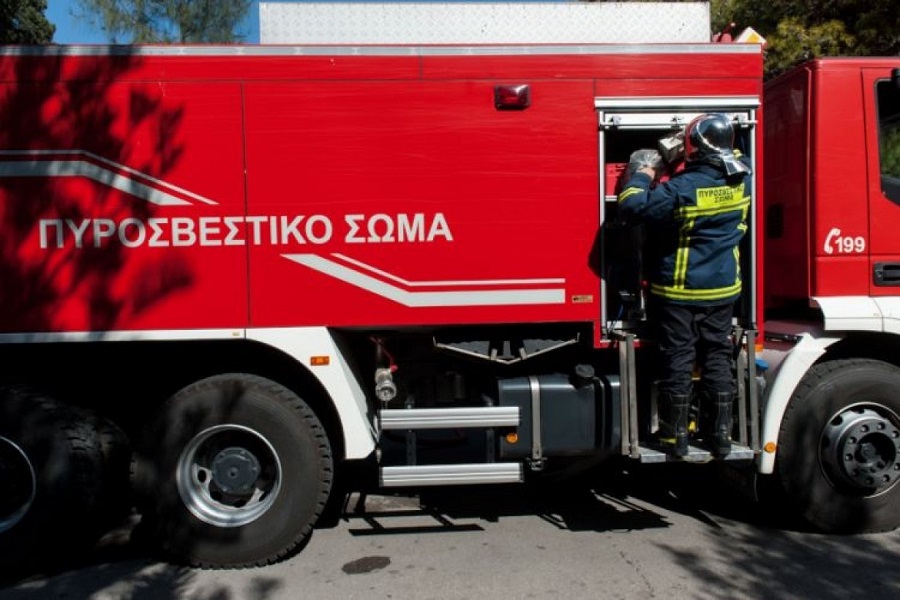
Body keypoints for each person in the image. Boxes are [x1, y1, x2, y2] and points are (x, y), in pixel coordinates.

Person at [616, 113, 751, 458]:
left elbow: (632, 207)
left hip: (680, 291)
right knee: (717, 356)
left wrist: (643, 173)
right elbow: (735, 156)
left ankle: (674, 438)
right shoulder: (744, 178)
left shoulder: (682, 188)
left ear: (694, 148)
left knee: (679, 357)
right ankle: (720, 436)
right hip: (723, 289)